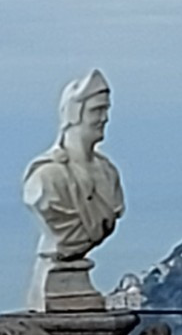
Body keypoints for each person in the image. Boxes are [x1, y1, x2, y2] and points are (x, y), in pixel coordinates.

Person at [23, 68, 125, 306]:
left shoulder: (108, 173)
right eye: (97, 110)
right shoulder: (47, 177)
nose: (105, 118)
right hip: (51, 285)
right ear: (74, 114)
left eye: (106, 110)